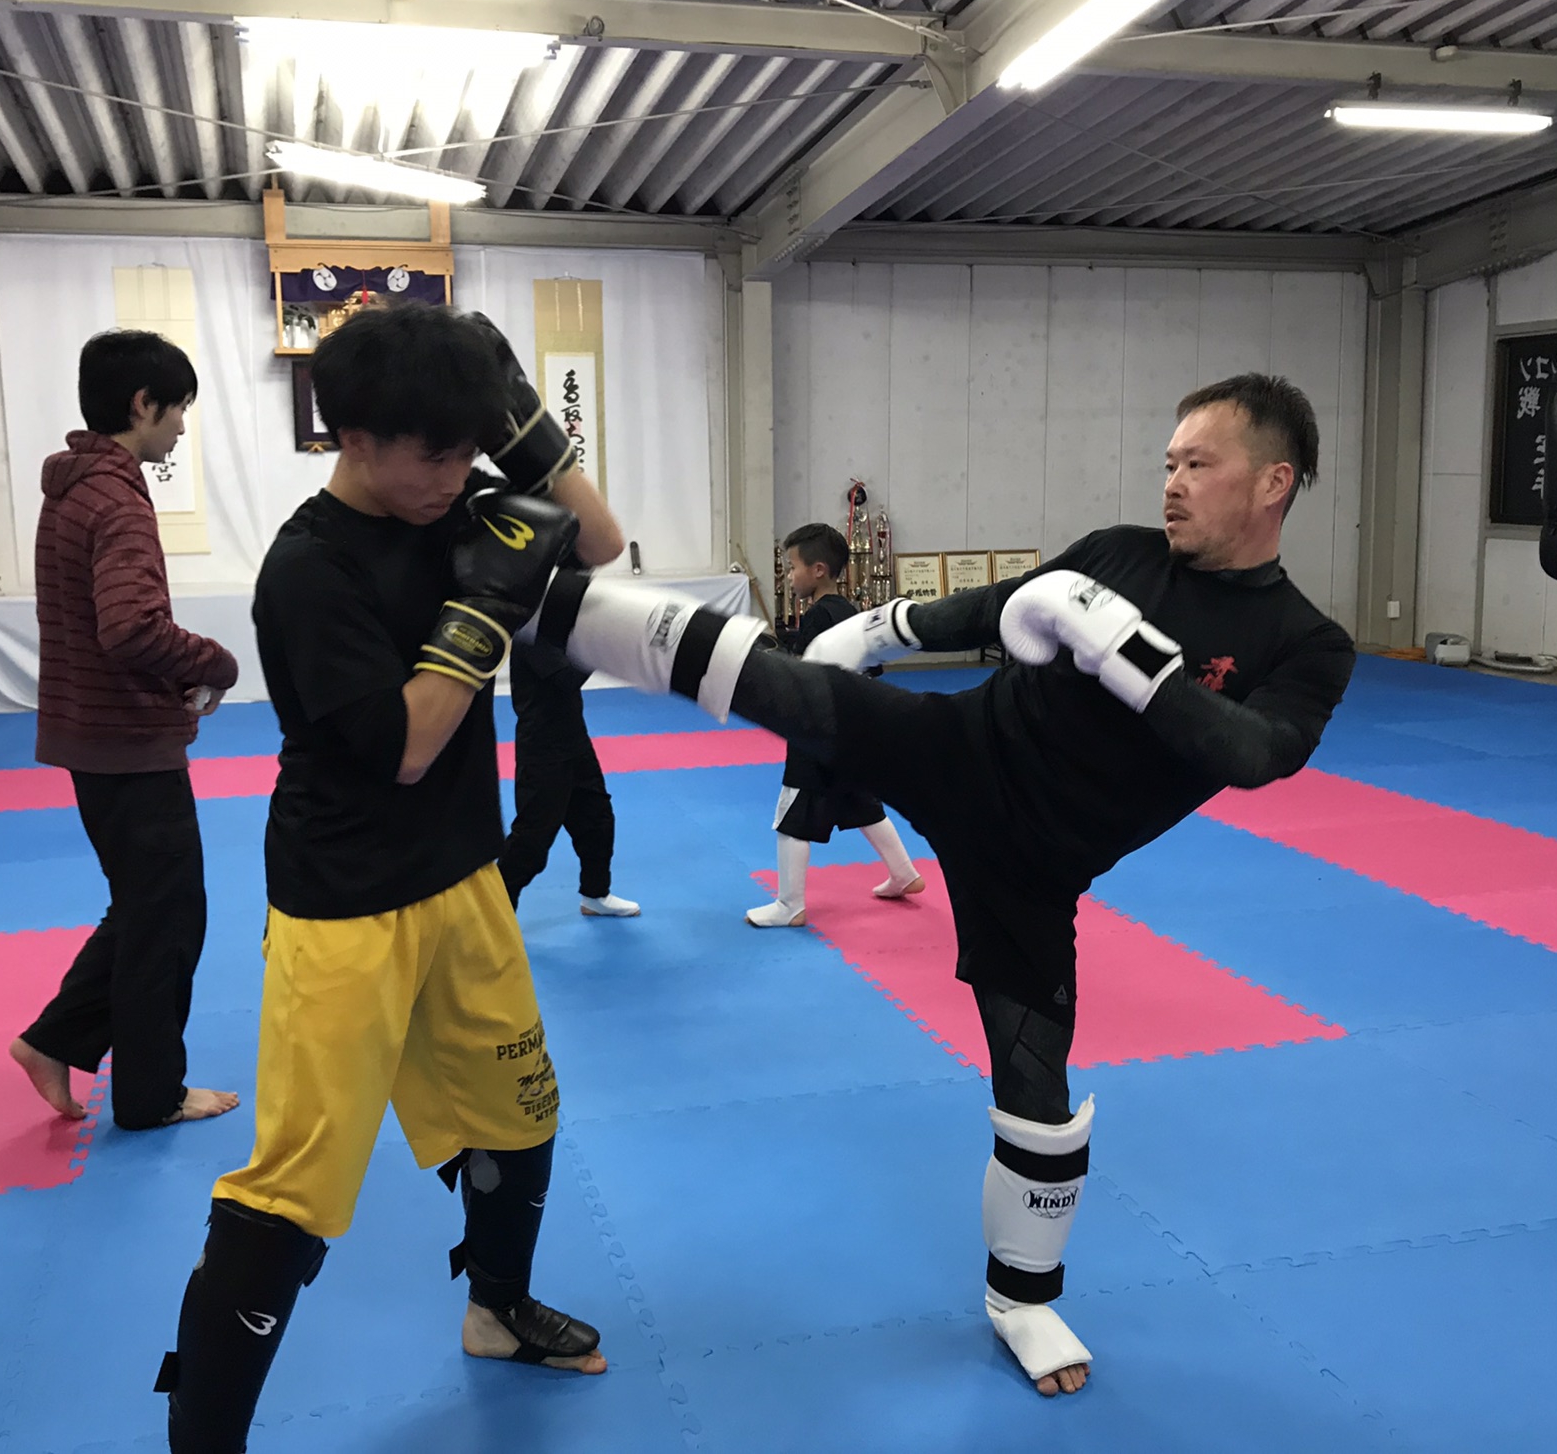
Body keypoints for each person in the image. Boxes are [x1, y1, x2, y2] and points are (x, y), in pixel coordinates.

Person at [522, 373, 1356, 1398]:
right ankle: (542, 602)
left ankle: (1022, 1300)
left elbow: (1254, 754)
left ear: (1272, 482)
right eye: (1169, 462)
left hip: (1036, 865)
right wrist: (886, 628)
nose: (1172, 482)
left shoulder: (1307, 644)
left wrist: (1124, 651)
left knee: (1037, 1093)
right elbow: (1004, 605)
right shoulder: (1122, 551)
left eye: (1199, 463)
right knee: (792, 690)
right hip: (961, 748)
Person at [155, 304, 625, 1454]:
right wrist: (484, 609)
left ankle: (496, 1312)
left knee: (519, 1113)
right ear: (354, 438)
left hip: (463, 880)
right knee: (294, 1189)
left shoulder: (454, 501)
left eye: (471, 453)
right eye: (434, 455)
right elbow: (408, 746)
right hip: (342, 905)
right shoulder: (307, 571)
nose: (456, 478)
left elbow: (600, 542)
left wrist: (520, 426)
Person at [10, 330, 241, 1132]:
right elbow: (132, 627)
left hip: (91, 732)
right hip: (124, 742)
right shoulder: (117, 499)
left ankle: (54, 1041)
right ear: (144, 404)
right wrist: (215, 662)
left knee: (146, 907)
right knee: (167, 917)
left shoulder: (74, 488)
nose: (181, 427)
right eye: (177, 410)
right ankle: (150, 1094)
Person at [746, 522, 922, 928]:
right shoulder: (851, 613)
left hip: (816, 728)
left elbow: (803, 677)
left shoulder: (818, 617)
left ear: (818, 569)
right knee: (858, 799)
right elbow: (871, 667)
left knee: (791, 812)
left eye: (793, 568)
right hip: (855, 724)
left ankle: (790, 904)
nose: (789, 577)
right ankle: (904, 873)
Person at [500, 643, 639, 917]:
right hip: (542, 751)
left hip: (575, 741)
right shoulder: (531, 636)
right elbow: (566, 678)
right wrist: (603, 648)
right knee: (532, 840)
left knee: (598, 821)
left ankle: (595, 894)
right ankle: (494, 913)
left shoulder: (556, 631)